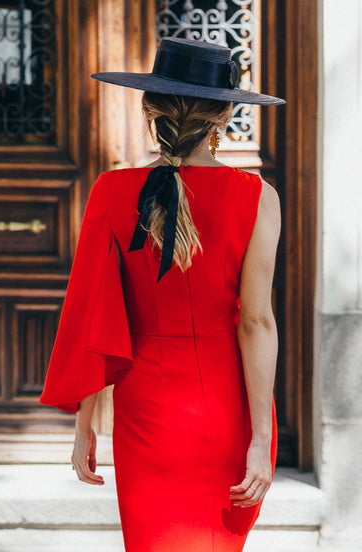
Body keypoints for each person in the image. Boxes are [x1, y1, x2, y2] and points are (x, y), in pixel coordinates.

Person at [39, 36, 285, 552]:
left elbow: (94, 314)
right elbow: (255, 324)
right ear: (222, 117)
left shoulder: (110, 191)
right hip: (224, 406)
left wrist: (85, 424)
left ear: (150, 108)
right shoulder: (257, 198)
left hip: (144, 409)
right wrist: (260, 441)